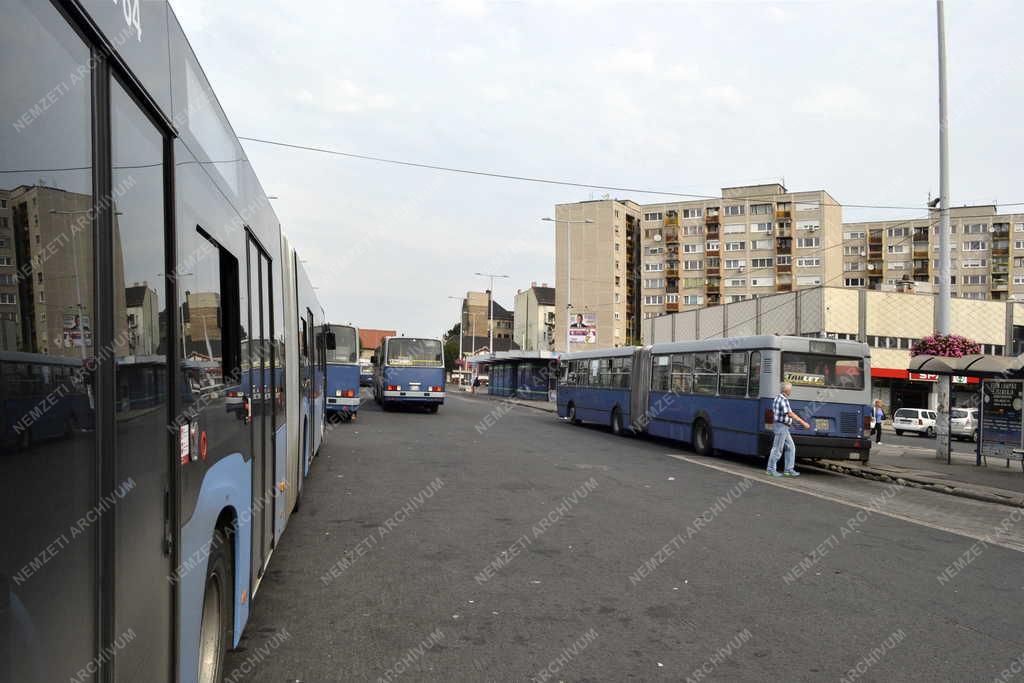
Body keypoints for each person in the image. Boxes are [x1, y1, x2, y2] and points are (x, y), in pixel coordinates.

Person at [767, 381, 811, 477]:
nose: (791, 391)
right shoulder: (783, 400)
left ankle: (788, 470)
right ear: (786, 390)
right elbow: (789, 413)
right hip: (781, 426)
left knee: (791, 447)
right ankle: (771, 469)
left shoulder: (778, 398)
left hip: (784, 427)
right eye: (790, 389)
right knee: (777, 449)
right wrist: (803, 422)